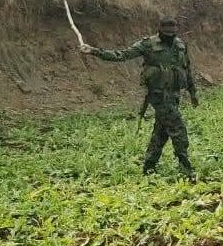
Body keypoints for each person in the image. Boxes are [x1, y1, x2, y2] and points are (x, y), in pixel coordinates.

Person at [81, 17, 199, 181]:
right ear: (159, 31)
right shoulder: (147, 44)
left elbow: (186, 68)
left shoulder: (180, 45)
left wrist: (192, 92)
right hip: (158, 96)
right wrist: (94, 51)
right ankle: (186, 168)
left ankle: (149, 166)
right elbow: (121, 55)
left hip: (174, 95)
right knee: (179, 129)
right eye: (166, 34)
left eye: (172, 33)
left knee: (161, 132)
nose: (170, 37)